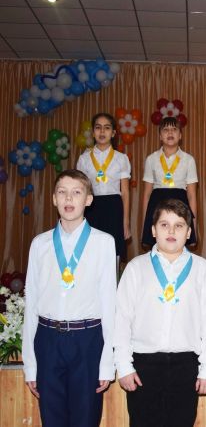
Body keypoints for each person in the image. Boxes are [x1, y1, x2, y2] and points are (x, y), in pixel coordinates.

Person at [114, 199, 206, 427]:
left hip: (186, 365)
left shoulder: (202, 269)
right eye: (164, 225)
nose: (171, 231)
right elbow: (121, 320)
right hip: (143, 365)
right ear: (153, 230)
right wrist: (123, 366)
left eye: (179, 226)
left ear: (189, 232)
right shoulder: (136, 268)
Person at [22, 169, 116, 426]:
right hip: (48, 340)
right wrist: (30, 365)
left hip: (87, 341)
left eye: (76, 192)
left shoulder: (104, 243)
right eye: (62, 192)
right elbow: (31, 305)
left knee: (86, 419)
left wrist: (107, 363)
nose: (69, 198)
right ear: (54, 198)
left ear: (88, 199)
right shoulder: (40, 244)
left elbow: (109, 303)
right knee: (52, 419)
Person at [76, 112, 131, 261]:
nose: (102, 131)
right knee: (90, 252)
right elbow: (80, 191)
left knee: (113, 252)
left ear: (113, 133)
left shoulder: (122, 158)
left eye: (107, 128)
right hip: (91, 207)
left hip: (114, 207)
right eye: (98, 127)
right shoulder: (84, 159)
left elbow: (125, 193)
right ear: (93, 132)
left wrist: (126, 222)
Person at [141, 116, 198, 248]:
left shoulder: (189, 160)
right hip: (156, 203)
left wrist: (194, 225)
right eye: (166, 130)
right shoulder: (151, 159)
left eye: (174, 129)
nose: (170, 132)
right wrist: (145, 224)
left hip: (181, 203)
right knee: (158, 246)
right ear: (160, 136)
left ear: (180, 135)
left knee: (178, 243)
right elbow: (147, 194)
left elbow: (192, 195)